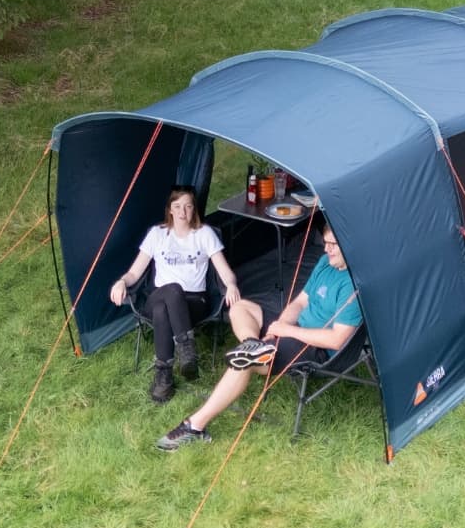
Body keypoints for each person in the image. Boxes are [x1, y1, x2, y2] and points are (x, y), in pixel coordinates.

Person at [156, 225, 361, 450]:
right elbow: (301, 301)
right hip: (295, 328)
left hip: (316, 347)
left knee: (244, 363)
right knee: (241, 307)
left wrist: (288, 331)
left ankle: (195, 425)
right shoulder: (325, 263)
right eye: (326, 243)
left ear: (350, 246)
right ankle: (252, 343)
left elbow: (336, 340)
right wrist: (280, 325)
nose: (327, 249)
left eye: (333, 245)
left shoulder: (353, 284)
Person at [110, 186, 241, 404]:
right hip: (159, 295)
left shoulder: (204, 234)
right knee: (171, 290)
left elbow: (225, 271)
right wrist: (121, 282)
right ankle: (186, 349)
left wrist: (232, 285)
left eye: (188, 206)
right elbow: (135, 272)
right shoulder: (158, 234)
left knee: (164, 309)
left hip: (194, 302)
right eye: (177, 206)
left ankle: (164, 377)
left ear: (194, 210)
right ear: (170, 210)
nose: (183, 212)